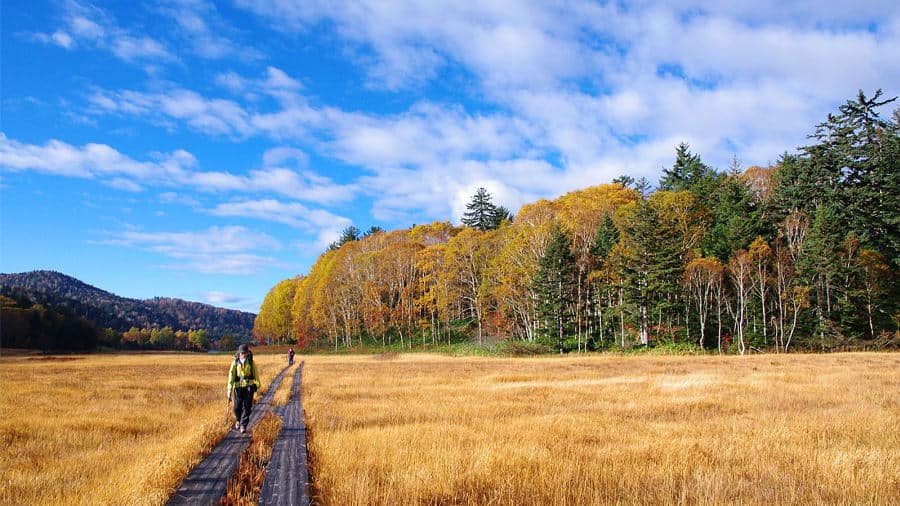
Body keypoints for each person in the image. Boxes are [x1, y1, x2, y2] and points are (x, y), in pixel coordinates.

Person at [227, 344, 260, 433]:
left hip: (249, 387)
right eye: (242, 353)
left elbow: (256, 374)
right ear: (239, 353)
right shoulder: (235, 362)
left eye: (245, 353)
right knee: (237, 407)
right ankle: (238, 419)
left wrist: (258, 385)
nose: (243, 355)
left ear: (247, 353)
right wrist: (229, 389)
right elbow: (231, 375)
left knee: (247, 407)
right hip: (238, 387)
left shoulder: (251, 362)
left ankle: (243, 425)